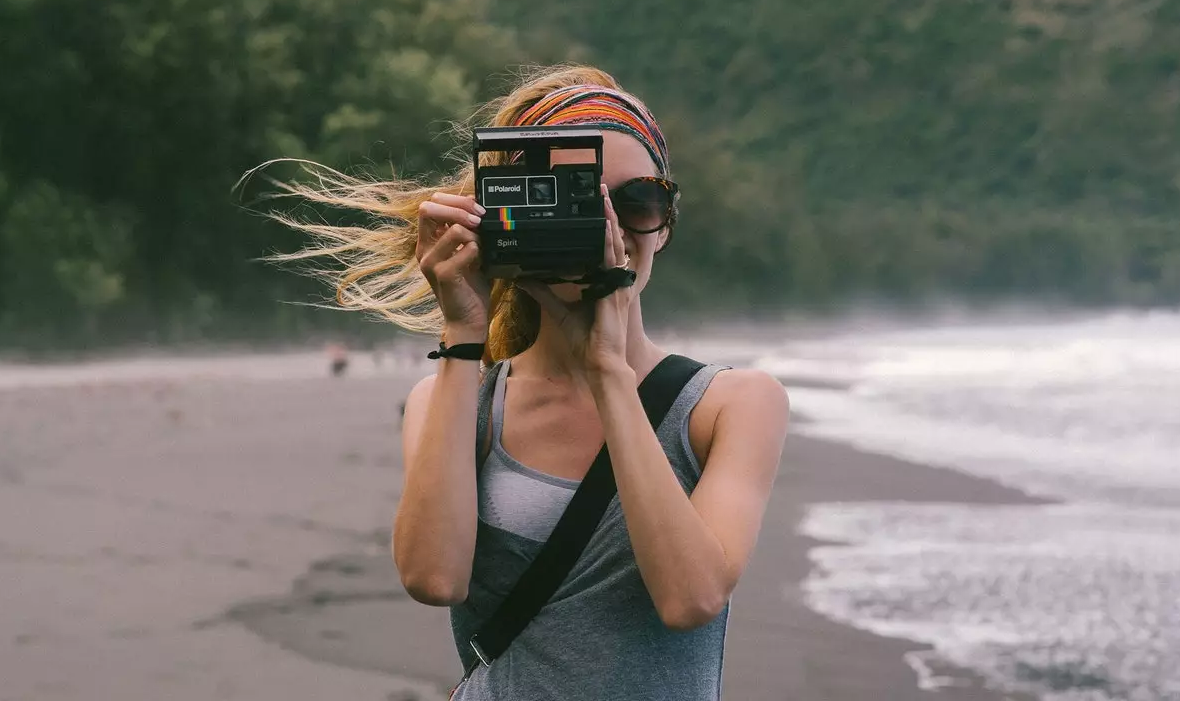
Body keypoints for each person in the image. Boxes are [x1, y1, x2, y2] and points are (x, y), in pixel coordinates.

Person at [258, 65, 789, 700]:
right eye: (575, 200)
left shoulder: (732, 405)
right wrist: (462, 331)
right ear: (510, 212)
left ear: (665, 226)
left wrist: (609, 373)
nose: (608, 230)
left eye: (636, 203)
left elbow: (690, 597)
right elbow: (433, 577)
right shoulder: (457, 401)